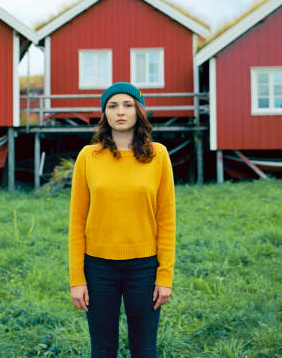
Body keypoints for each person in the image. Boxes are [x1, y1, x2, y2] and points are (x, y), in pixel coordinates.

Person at [68, 82, 176, 358]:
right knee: (103, 349)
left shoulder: (159, 156)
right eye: (113, 105)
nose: (121, 111)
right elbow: (76, 223)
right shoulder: (87, 158)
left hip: (144, 268)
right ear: (104, 113)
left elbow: (166, 220)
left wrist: (164, 275)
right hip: (98, 268)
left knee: (145, 349)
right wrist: (77, 278)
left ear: (139, 111)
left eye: (128, 105)